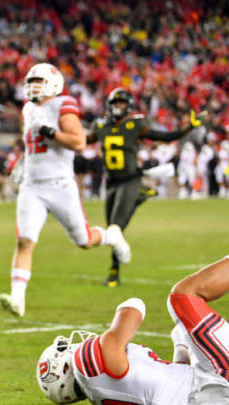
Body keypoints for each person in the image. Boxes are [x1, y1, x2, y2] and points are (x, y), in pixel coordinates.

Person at [0, 63, 130, 318]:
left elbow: (78, 141)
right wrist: (22, 162)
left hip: (60, 185)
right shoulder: (28, 108)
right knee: (24, 240)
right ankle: (17, 298)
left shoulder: (63, 104)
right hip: (32, 185)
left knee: (83, 240)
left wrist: (49, 131)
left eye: (39, 81)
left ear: (53, 84)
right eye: (31, 81)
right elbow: (34, 145)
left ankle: (111, 235)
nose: (33, 86)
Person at [37, 255, 229, 404]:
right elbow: (132, 310)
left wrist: (181, 346)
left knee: (185, 331)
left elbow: (175, 384)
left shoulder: (104, 397)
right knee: (182, 297)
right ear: (62, 368)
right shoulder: (85, 365)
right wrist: (131, 306)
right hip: (215, 381)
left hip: (206, 394)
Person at [86, 88, 205, 287]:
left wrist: (188, 127)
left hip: (130, 179)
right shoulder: (100, 126)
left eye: (121, 103)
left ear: (129, 106)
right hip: (112, 182)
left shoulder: (135, 124)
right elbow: (81, 140)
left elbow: (165, 137)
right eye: (115, 103)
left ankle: (114, 272)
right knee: (113, 230)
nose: (117, 107)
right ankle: (140, 196)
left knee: (116, 228)